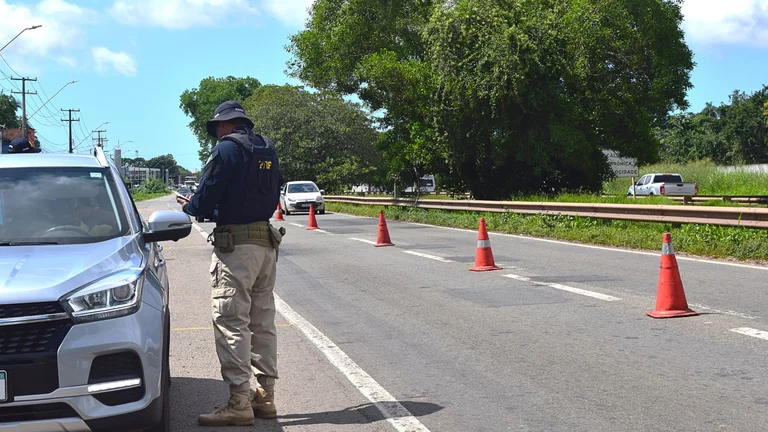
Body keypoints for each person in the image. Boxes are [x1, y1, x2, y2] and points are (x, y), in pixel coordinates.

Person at [176, 100, 285, 426]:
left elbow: (205, 199)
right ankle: (265, 397)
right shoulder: (266, 148)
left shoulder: (226, 150)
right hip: (266, 245)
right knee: (262, 322)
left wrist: (190, 205)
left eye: (216, 128)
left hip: (236, 248)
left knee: (231, 322)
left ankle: (239, 401)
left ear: (224, 125)